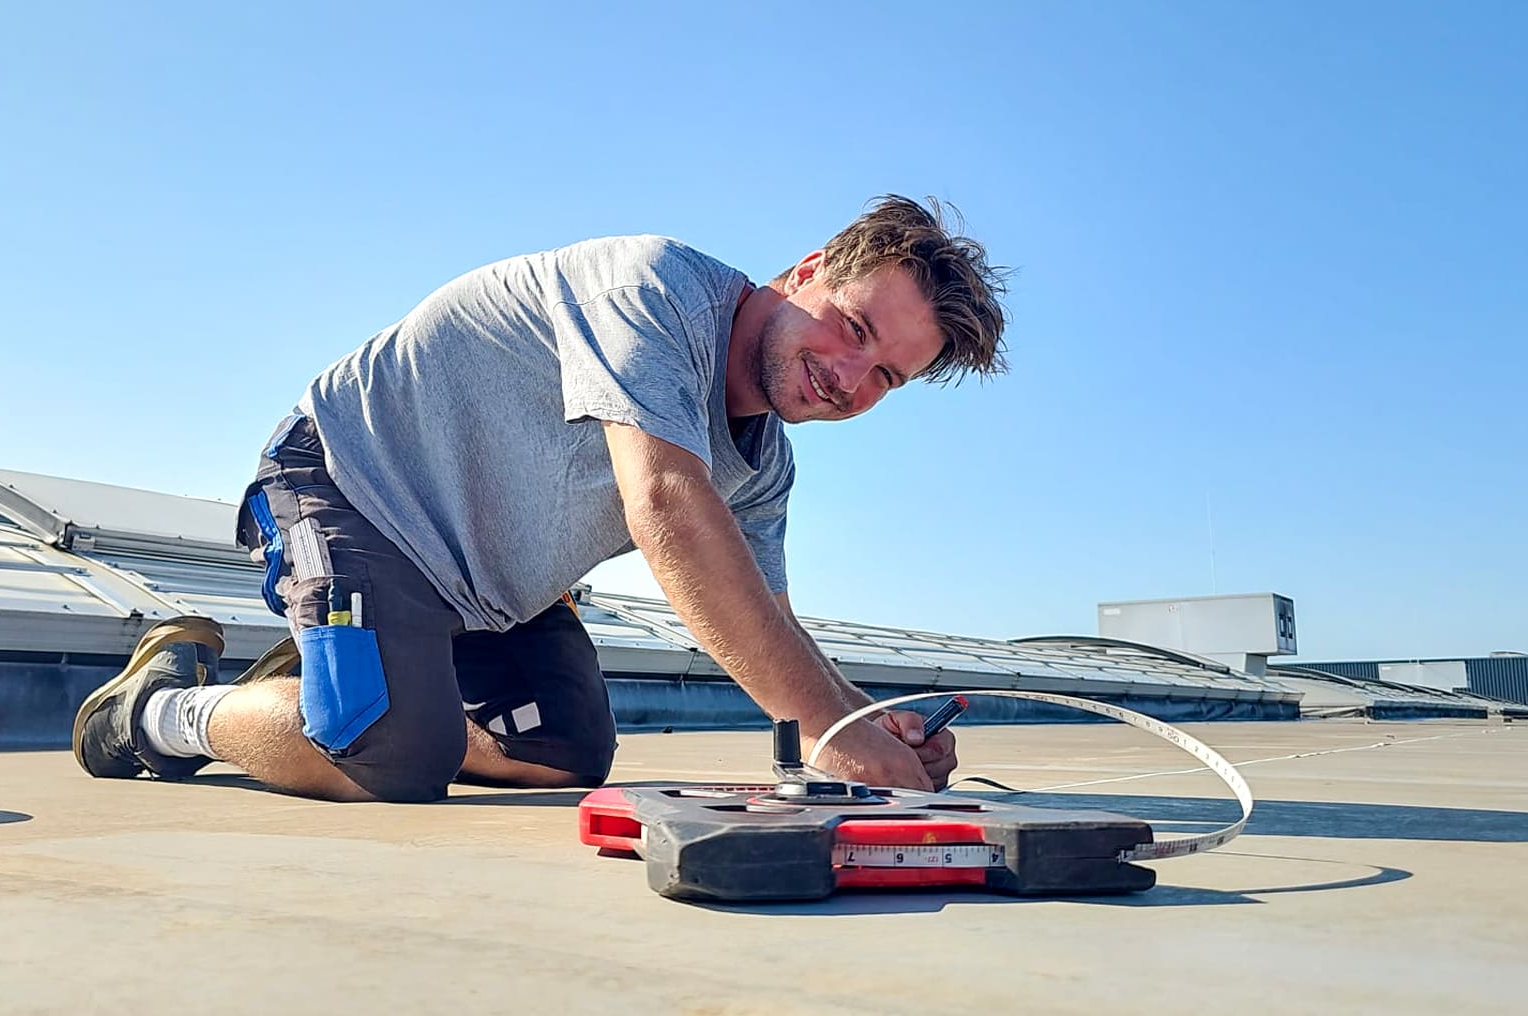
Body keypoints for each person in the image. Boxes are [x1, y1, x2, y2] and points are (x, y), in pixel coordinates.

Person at [73, 195, 1008, 802]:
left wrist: (857, 717)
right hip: (348, 490)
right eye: (851, 329)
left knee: (566, 757)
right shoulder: (658, 291)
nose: (851, 377)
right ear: (806, 268)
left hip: (485, 592)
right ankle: (164, 712)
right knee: (397, 759)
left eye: (886, 375)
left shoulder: (766, 465)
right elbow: (669, 504)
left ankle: (346, 685)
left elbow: (768, 621)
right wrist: (824, 730)